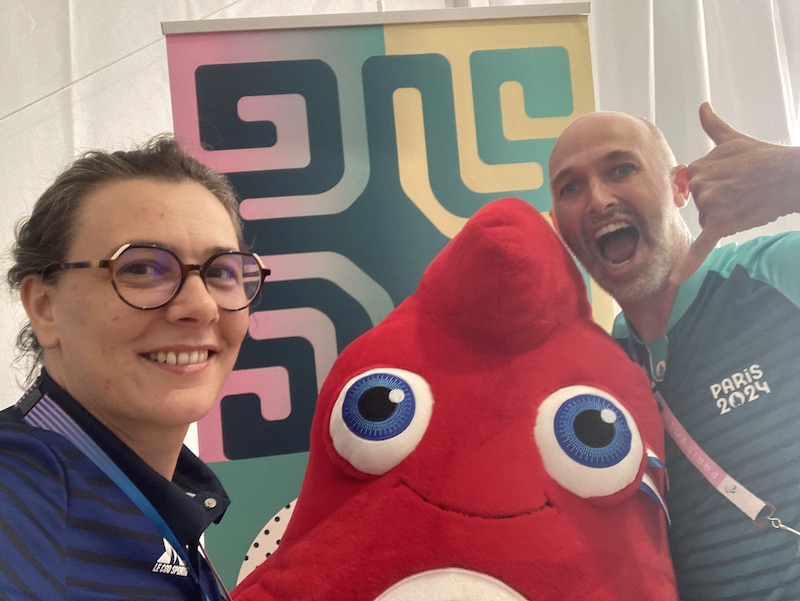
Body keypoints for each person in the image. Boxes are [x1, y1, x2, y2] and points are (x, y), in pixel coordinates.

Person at [0, 135, 269, 600]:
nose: (201, 307)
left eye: (220, 272)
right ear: (44, 307)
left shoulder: (151, 497)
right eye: (142, 269)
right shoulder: (16, 503)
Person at [548, 103, 800, 600]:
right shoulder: (603, 367)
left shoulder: (774, 273)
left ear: (680, 187)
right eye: (570, 188)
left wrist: (790, 174)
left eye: (621, 169)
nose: (597, 200)